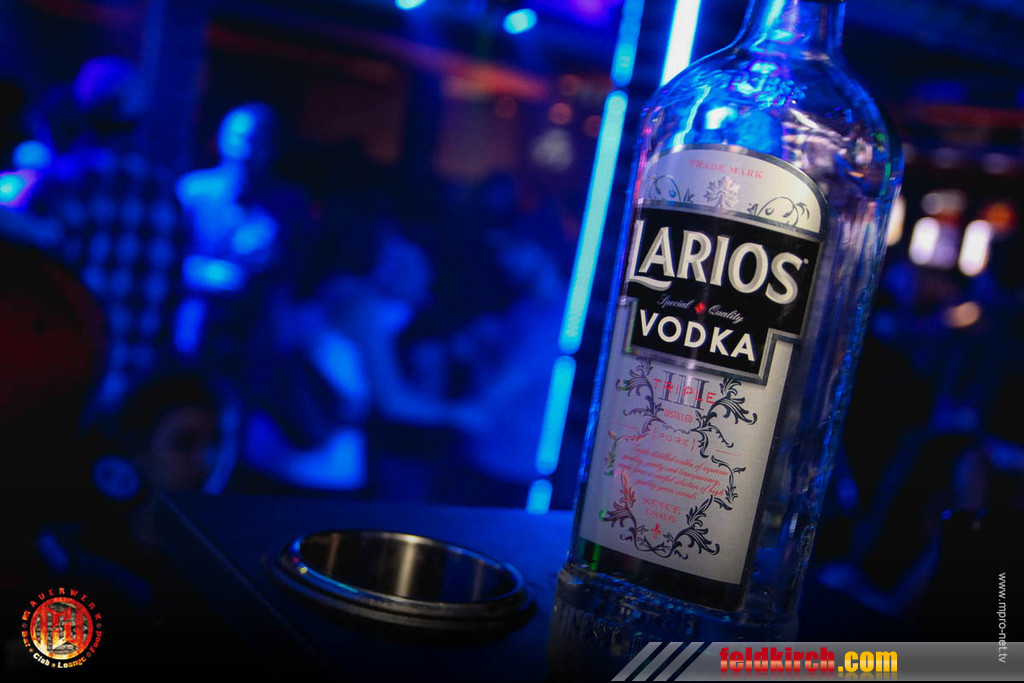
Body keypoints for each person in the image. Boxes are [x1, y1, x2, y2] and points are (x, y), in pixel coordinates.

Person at [28, 56, 187, 413]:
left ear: (81, 111)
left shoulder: (61, 184)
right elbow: (172, 303)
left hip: (60, 381)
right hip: (132, 391)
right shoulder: (166, 195)